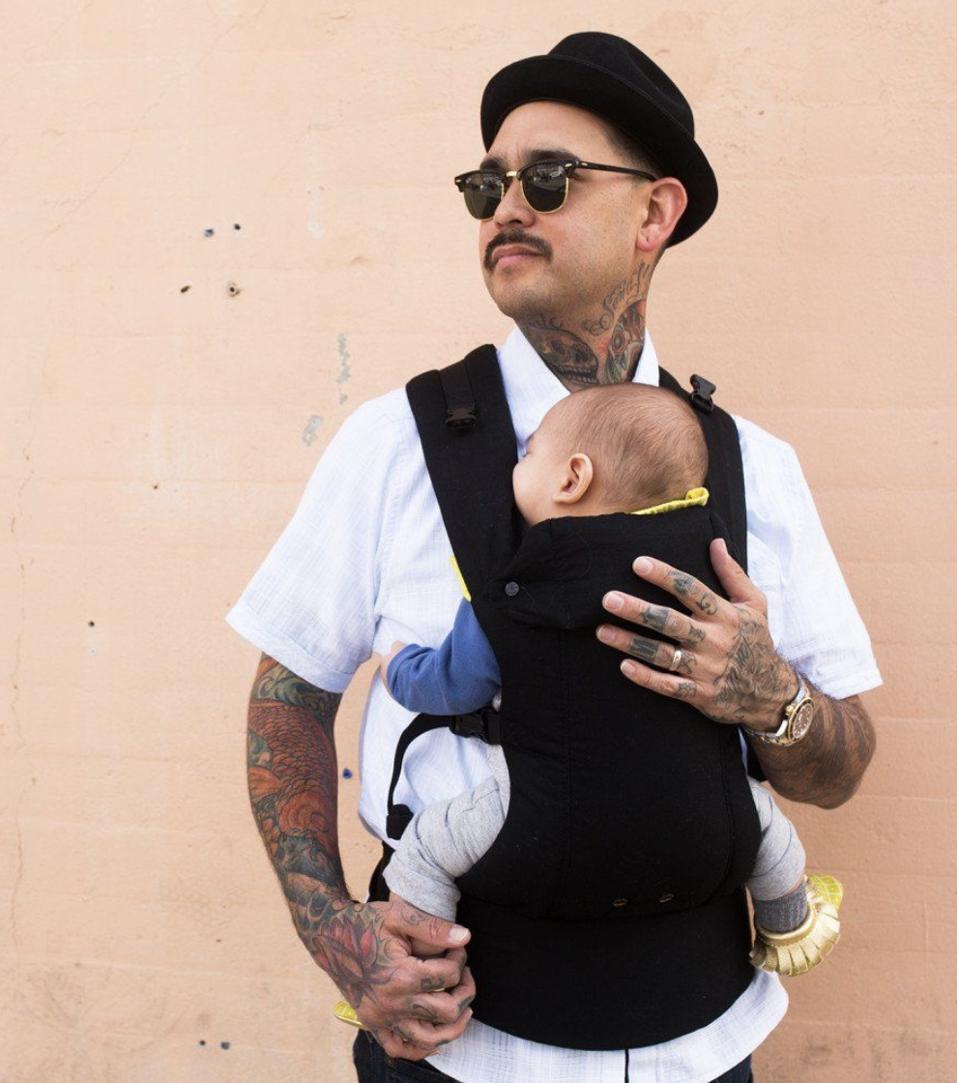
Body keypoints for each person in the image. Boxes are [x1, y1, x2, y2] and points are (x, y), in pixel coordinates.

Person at [229, 31, 879, 1083]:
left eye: (547, 178)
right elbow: (288, 697)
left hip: (702, 1044)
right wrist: (331, 927)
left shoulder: (754, 466)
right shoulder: (392, 444)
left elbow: (841, 767)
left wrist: (773, 698)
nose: (504, 209)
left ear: (654, 213)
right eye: (486, 185)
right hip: (455, 1045)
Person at [378, 384, 840, 979]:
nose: (516, 465)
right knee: (767, 832)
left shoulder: (517, 581)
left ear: (572, 478)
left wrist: (398, 666)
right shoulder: (715, 568)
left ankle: (425, 971)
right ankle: (789, 929)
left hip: (545, 818)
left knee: (424, 849)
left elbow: (453, 686)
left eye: (528, 454)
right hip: (703, 809)